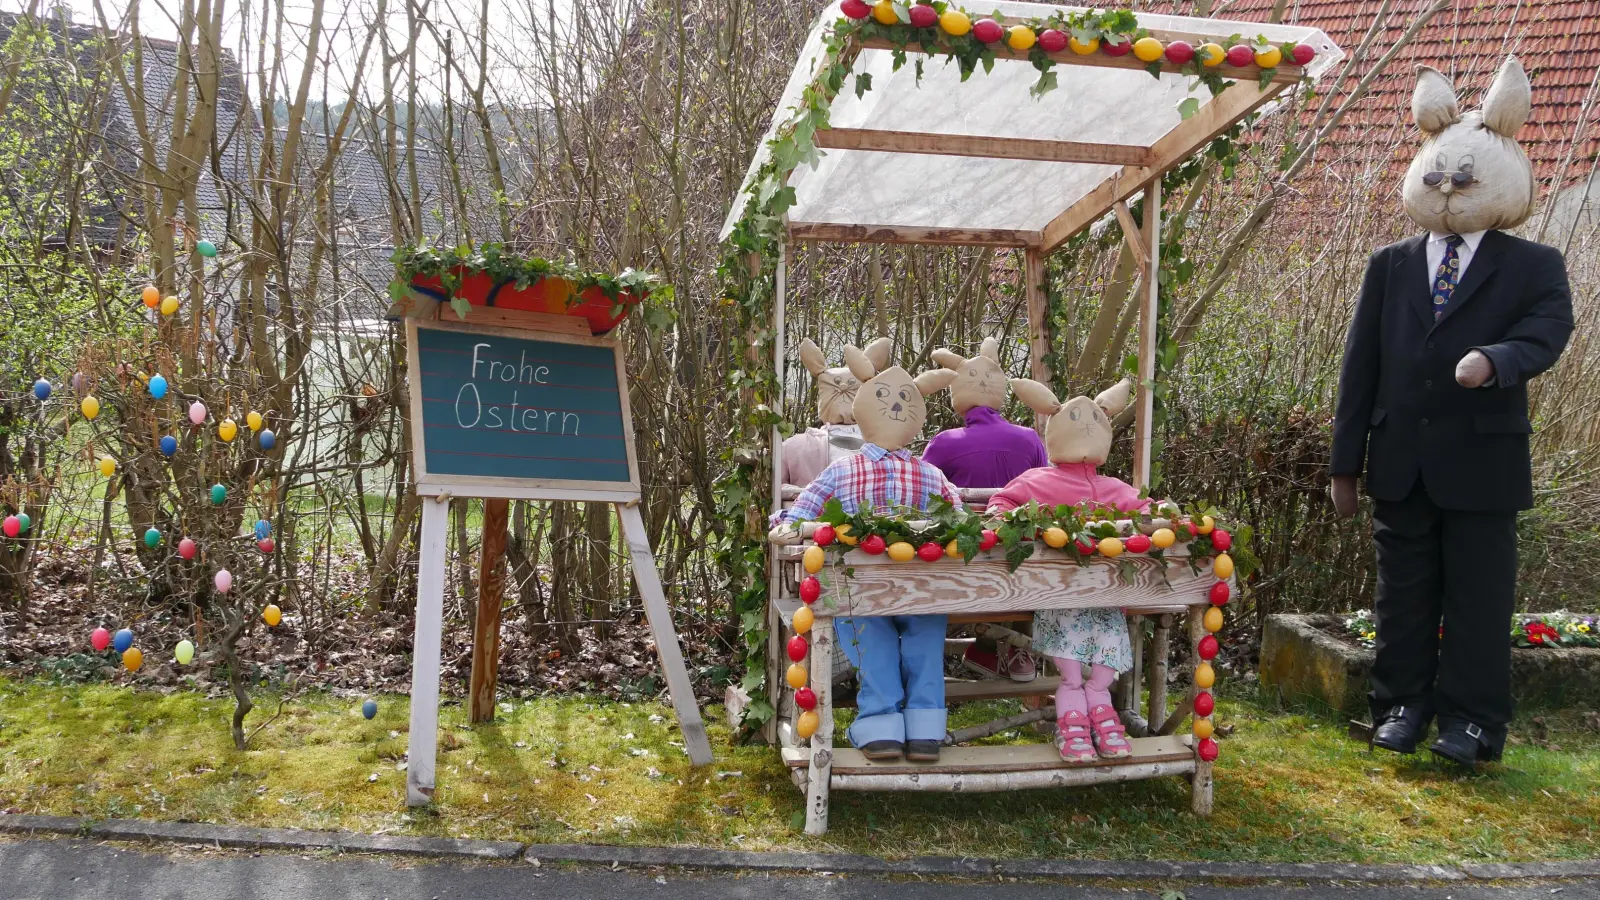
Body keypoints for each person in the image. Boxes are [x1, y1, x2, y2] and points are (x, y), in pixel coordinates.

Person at [1330, 57, 1574, 766]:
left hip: (1484, 464)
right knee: (1401, 596)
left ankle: (1472, 723)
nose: (1445, 187)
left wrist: (1498, 359)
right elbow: (1360, 369)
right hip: (1400, 461)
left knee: (1478, 599)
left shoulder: (1533, 264)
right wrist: (1346, 466)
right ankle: (1400, 706)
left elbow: (1549, 331)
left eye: (1459, 177)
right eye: (1436, 174)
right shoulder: (1391, 263)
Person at [770, 346, 961, 762]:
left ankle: (881, 727)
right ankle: (926, 730)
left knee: (871, 648)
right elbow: (963, 524)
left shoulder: (842, 470)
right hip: (925, 585)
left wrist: (782, 525)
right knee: (925, 645)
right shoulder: (931, 473)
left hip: (860, 589)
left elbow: (800, 513)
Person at [987, 378, 1143, 761]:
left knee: (1100, 669)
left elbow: (1149, 514)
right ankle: (1076, 726)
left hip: (1103, 600)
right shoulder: (1042, 481)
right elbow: (1002, 503)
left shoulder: (1116, 490)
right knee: (1077, 671)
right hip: (1061, 598)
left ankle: (1099, 717)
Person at [918, 337, 1048, 682]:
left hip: (963, 566)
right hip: (1025, 566)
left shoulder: (946, 442)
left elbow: (920, 491)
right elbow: (1046, 489)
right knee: (1022, 546)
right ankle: (1011, 647)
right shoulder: (1031, 439)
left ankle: (988, 648)